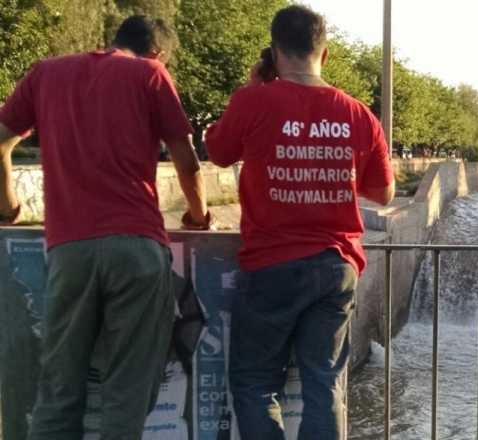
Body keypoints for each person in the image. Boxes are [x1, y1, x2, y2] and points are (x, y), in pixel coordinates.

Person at [0, 15, 210, 439]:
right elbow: (186, 162)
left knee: (58, 391)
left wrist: (9, 207)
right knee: (126, 394)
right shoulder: (151, 74)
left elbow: (1, 141)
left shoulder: (46, 73)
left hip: (68, 249)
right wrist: (198, 217)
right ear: (160, 53)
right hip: (136, 246)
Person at [204, 5, 394, 439]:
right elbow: (383, 193)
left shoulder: (253, 101)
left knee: (254, 383)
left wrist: (254, 89)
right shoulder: (359, 114)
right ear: (324, 54)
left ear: (273, 52)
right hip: (336, 266)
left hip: (270, 266)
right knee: (324, 383)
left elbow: (216, 151)